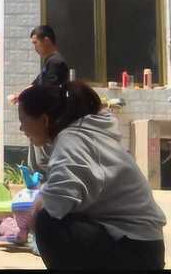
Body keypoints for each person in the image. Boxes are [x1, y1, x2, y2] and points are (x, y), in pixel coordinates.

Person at [17, 82, 166, 270]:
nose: (21, 128)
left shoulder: (71, 141)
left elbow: (57, 204)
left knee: (47, 222)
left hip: (134, 249)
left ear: (44, 120)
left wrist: (34, 213)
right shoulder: (86, 135)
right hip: (143, 245)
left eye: (23, 120)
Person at [10, 25, 69, 177]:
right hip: (37, 120)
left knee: (43, 163)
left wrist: (27, 95)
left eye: (35, 43)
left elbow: (49, 90)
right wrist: (21, 95)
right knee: (35, 164)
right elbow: (37, 84)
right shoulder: (49, 63)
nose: (34, 47)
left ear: (47, 40)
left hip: (45, 121)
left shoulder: (56, 63)